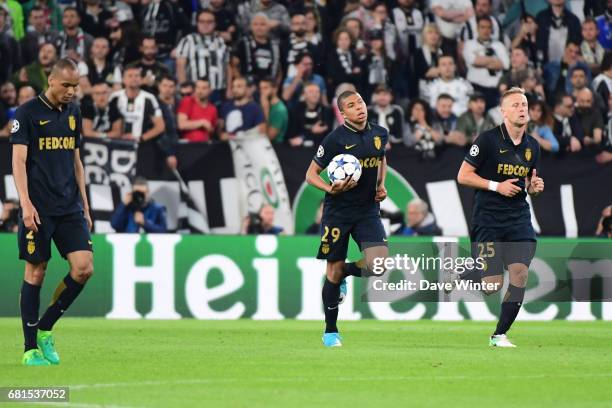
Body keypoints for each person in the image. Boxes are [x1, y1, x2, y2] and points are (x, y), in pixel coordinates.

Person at [10, 58, 94, 365]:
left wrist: (85, 205)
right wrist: (25, 203)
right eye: (67, 86)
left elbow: (76, 161)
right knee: (36, 271)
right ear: (51, 81)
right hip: (39, 207)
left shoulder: (73, 112)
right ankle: (30, 348)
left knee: (84, 268)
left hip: (69, 205)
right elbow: (18, 161)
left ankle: (46, 327)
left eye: (76, 86)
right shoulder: (27, 113)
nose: (72, 92)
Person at [455, 87, 544, 348]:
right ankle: (462, 274)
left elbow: (529, 183)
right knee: (491, 285)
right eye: (515, 105)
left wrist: (533, 189)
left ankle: (499, 335)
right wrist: (497, 186)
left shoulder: (532, 147)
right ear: (503, 112)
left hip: (518, 218)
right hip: (488, 218)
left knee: (520, 274)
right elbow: (463, 176)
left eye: (524, 104)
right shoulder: (487, 140)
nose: (522, 108)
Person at [305, 90, 389, 347]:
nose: (359, 108)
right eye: (352, 106)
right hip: (338, 214)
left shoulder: (379, 133)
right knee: (331, 270)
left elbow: (381, 158)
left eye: (361, 102)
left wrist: (381, 185)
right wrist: (331, 189)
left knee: (379, 264)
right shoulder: (334, 140)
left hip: (366, 211)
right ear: (343, 113)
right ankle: (331, 331)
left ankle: (344, 274)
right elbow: (311, 174)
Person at [175, 10, 231, 102]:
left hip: (219, 89)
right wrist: (184, 87)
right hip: (196, 91)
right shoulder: (188, 40)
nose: (205, 25)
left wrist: (229, 88)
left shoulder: (221, 42)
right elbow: (180, 65)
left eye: (209, 22)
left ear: (215, 24)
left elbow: (227, 66)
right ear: (197, 23)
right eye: (202, 22)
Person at [463, 16, 509, 110]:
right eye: (482, 27)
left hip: (494, 88)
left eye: (488, 27)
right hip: (475, 86)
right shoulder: (469, 44)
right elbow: (473, 61)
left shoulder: (499, 45)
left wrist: (482, 60)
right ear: (477, 28)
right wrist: (494, 60)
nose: (486, 30)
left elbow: (505, 64)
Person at [287, 81, 333, 147]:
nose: (315, 94)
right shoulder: (295, 110)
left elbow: (327, 133)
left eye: (317, 92)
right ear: (304, 95)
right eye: (311, 92)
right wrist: (312, 131)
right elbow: (292, 135)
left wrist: (304, 135)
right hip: (299, 149)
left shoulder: (326, 111)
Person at [176, 78, 218, 142]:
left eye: (204, 88)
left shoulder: (213, 108)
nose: (200, 91)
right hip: (189, 145)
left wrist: (212, 129)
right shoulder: (187, 101)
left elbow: (212, 130)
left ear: (210, 90)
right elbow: (181, 125)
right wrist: (202, 122)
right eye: (198, 87)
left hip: (206, 145)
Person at [258, 78, 288, 143]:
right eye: (261, 88)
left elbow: (269, 137)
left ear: (275, 89)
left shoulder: (279, 110)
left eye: (265, 88)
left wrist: (266, 109)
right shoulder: (262, 104)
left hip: (274, 146)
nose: (262, 91)